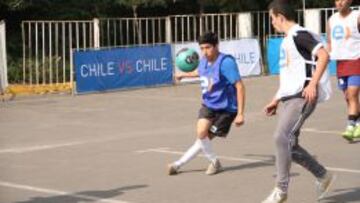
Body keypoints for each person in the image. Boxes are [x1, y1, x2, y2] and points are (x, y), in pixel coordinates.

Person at [262, 1, 335, 202]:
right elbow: (291, 75)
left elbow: (323, 55)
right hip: (289, 98)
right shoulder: (288, 40)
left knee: (281, 137)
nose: (272, 23)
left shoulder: (298, 35)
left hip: (301, 97)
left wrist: (313, 84)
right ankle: (323, 175)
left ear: (280, 17)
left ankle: (281, 190)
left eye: (272, 18)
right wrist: (275, 99)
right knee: (289, 145)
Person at [167, 31, 245, 176]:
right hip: (209, 104)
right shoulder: (203, 60)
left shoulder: (226, 62)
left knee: (205, 138)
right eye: (202, 48)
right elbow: (201, 72)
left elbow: (239, 86)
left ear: (216, 46)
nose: (205, 51)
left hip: (227, 109)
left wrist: (240, 113)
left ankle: (178, 164)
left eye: (208, 47)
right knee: (201, 133)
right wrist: (184, 75)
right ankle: (214, 162)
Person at [327, 0, 360, 142]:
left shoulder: (357, 16)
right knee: (348, 97)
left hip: (356, 60)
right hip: (340, 63)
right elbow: (329, 41)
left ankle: (350, 126)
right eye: (337, 0)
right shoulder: (332, 19)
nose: (339, 2)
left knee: (353, 94)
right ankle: (358, 123)